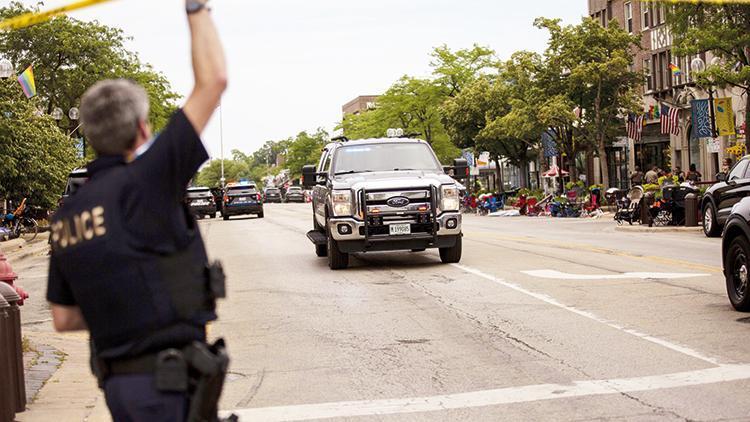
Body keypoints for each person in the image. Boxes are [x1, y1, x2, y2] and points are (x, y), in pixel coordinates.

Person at [46, 1, 229, 421]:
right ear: (143, 129)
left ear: (90, 136)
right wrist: (196, 8)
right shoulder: (151, 177)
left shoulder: (67, 216)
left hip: (119, 387)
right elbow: (213, 81)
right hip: (168, 386)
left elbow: (63, 317)